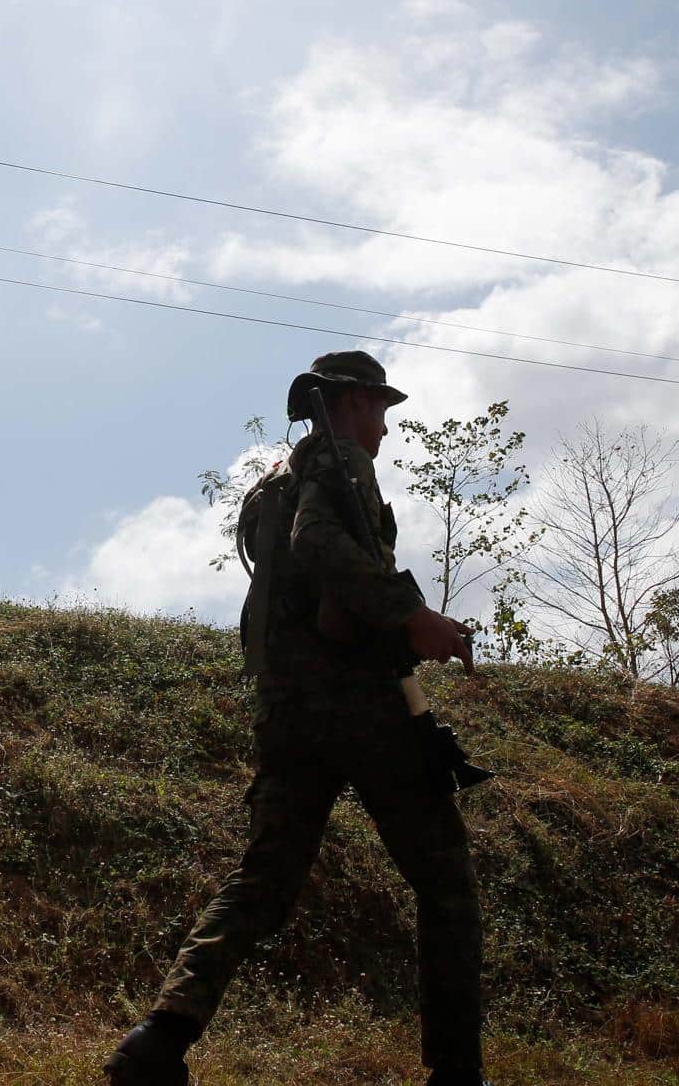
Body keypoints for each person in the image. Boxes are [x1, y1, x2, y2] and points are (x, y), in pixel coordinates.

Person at [104, 351, 491, 1086]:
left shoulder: (269, 490)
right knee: (446, 884)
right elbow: (320, 545)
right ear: (348, 404)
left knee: (264, 882)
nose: (384, 425)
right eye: (379, 407)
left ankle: (157, 1043)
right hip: (365, 709)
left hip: (291, 713)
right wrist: (412, 615)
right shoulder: (340, 462)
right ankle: (457, 1072)